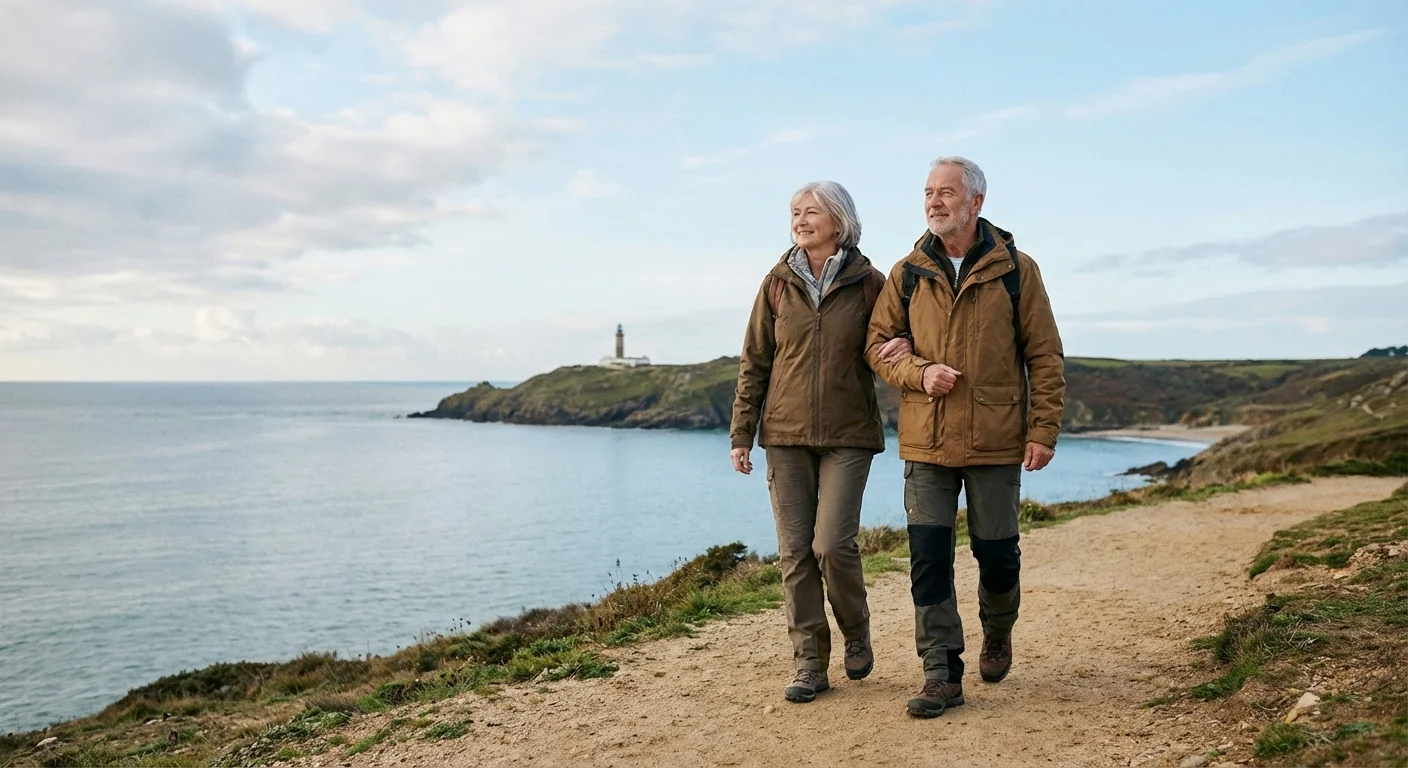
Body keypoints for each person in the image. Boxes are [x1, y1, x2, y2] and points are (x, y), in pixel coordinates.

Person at [867, 157, 1066, 718]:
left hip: (996, 440)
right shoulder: (906, 272)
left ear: (976, 201)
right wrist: (919, 371)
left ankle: (997, 632)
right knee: (929, 559)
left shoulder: (1017, 270)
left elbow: (1044, 356)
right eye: (928, 192)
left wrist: (1043, 430)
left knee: (997, 556)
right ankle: (941, 674)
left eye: (947, 192)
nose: (935, 202)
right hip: (926, 440)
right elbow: (877, 347)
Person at [729, 181, 887, 703]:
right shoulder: (776, 284)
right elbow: (755, 361)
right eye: (795, 211)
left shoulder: (871, 284)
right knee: (796, 554)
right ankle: (809, 664)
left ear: (839, 221)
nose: (800, 219)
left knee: (832, 545)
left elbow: (896, 349)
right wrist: (741, 434)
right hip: (785, 435)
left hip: (849, 435)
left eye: (811, 211)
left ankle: (856, 631)